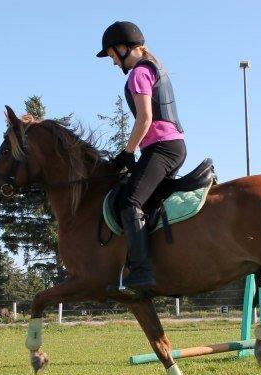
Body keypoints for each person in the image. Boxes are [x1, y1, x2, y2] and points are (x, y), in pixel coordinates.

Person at [97, 21, 186, 297]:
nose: (113, 62)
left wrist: (126, 153)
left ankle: (142, 273)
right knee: (145, 202)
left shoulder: (138, 73)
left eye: (112, 54)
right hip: (167, 146)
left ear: (123, 48)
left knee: (130, 202)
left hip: (162, 148)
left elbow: (145, 118)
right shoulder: (153, 68)